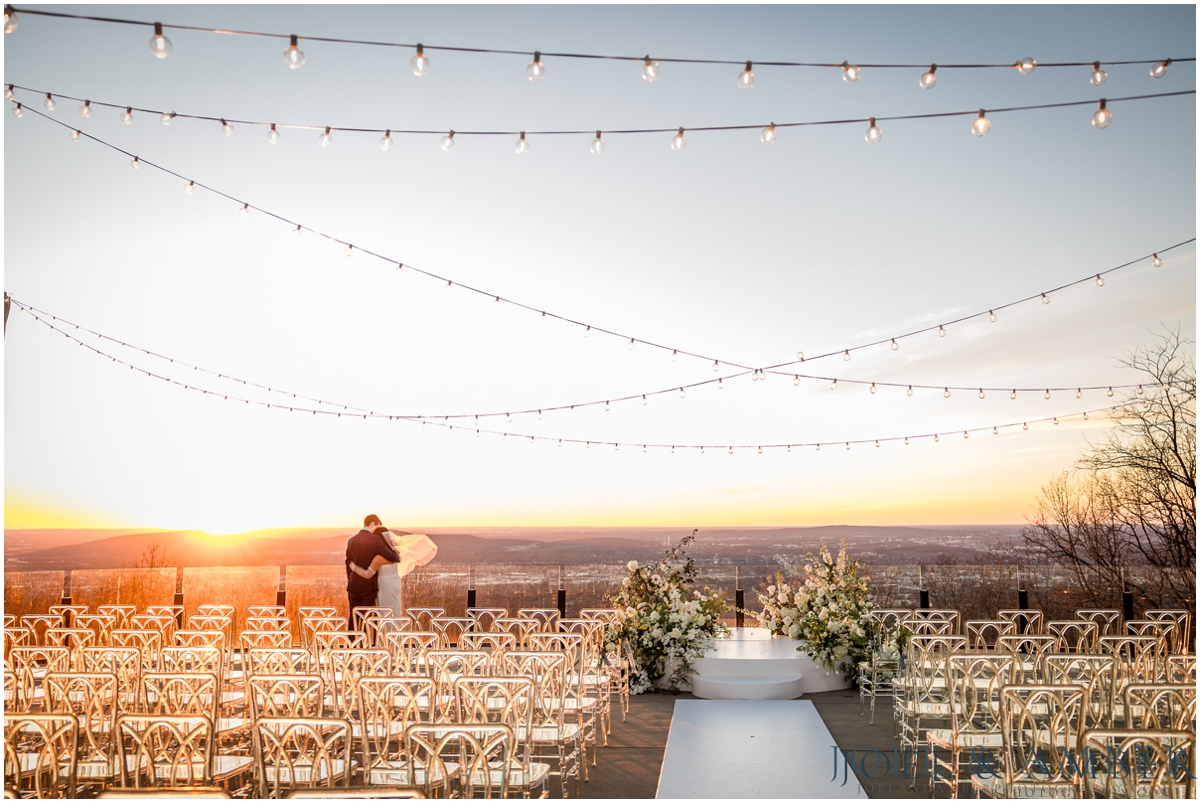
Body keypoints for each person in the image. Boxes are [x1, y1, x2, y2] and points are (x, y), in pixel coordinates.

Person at [345, 514, 399, 627]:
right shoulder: (375, 540)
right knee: (367, 619)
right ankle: (367, 642)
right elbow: (393, 557)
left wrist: (352, 579)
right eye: (377, 525)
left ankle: (351, 643)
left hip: (353, 585)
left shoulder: (351, 541)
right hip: (368, 587)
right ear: (372, 524)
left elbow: (348, 564)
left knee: (353, 617)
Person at [376, 528, 438, 617]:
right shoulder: (396, 553)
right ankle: (395, 628)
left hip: (383, 584)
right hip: (395, 582)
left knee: (384, 610)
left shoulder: (379, 554)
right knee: (394, 608)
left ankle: (385, 629)